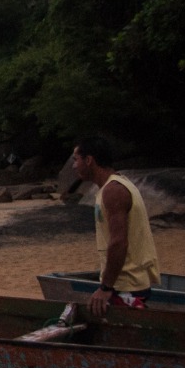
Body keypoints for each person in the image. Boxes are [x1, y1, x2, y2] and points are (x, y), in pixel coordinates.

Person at [71, 136, 160, 317]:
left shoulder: (114, 190)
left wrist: (105, 287)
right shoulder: (109, 187)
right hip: (122, 284)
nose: (74, 166)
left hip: (125, 286)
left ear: (89, 160)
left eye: (76, 160)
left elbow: (119, 242)